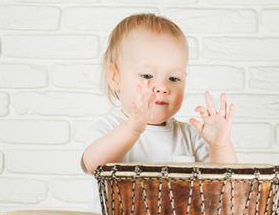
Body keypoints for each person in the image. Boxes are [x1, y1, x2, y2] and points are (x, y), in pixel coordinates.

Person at [81, 13, 237, 174]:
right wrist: (132, 129)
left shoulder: (190, 137)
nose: (162, 87)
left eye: (174, 78)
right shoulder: (109, 128)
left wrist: (220, 146)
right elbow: (94, 166)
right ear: (115, 77)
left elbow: (225, 186)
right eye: (147, 76)